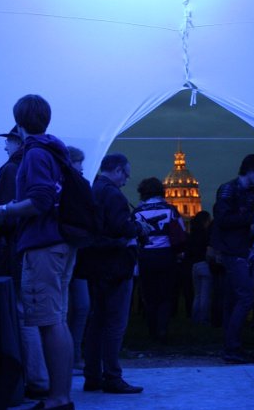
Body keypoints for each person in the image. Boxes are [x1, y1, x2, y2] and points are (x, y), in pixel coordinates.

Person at [0, 95, 76, 410]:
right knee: (57, 318)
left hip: (42, 244)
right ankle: (61, 395)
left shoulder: (35, 154)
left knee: (48, 320)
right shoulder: (54, 150)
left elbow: (40, 200)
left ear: (19, 122)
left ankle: (57, 399)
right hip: (57, 243)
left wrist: (6, 211)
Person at [82, 153, 151, 394]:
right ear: (118, 170)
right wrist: (138, 228)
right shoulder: (113, 194)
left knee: (96, 321)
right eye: (126, 175)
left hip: (95, 263)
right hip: (116, 264)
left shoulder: (93, 189)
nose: (126, 181)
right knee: (115, 322)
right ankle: (112, 375)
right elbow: (122, 227)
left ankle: (92, 375)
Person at [0, 125, 49, 400]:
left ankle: (35, 378)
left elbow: (1, 214)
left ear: (18, 140)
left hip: (13, 249)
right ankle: (39, 376)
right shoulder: (37, 163)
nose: (5, 147)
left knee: (21, 313)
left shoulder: (12, 168)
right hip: (31, 246)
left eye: (9, 141)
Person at [211, 154, 254, 363]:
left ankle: (232, 346)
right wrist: (252, 218)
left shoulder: (241, 190)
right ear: (250, 170)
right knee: (246, 297)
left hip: (238, 249)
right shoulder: (229, 189)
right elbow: (223, 219)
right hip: (234, 251)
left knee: (234, 299)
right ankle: (232, 347)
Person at [132, 177, 186, 342]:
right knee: (166, 294)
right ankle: (163, 330)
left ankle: (152, 330)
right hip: (166, 255)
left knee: (149, 295)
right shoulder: (170, 210)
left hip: (146, 256)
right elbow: (181, 233)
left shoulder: (137, 212)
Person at [66, 146, 91, 373]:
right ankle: (69, 357)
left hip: (79, 256)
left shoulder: (82, 185)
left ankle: (74, 355)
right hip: (67, 253)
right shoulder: (64, 186)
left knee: (81, 307)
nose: (82, 167)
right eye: (78, 162)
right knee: (68, 309)